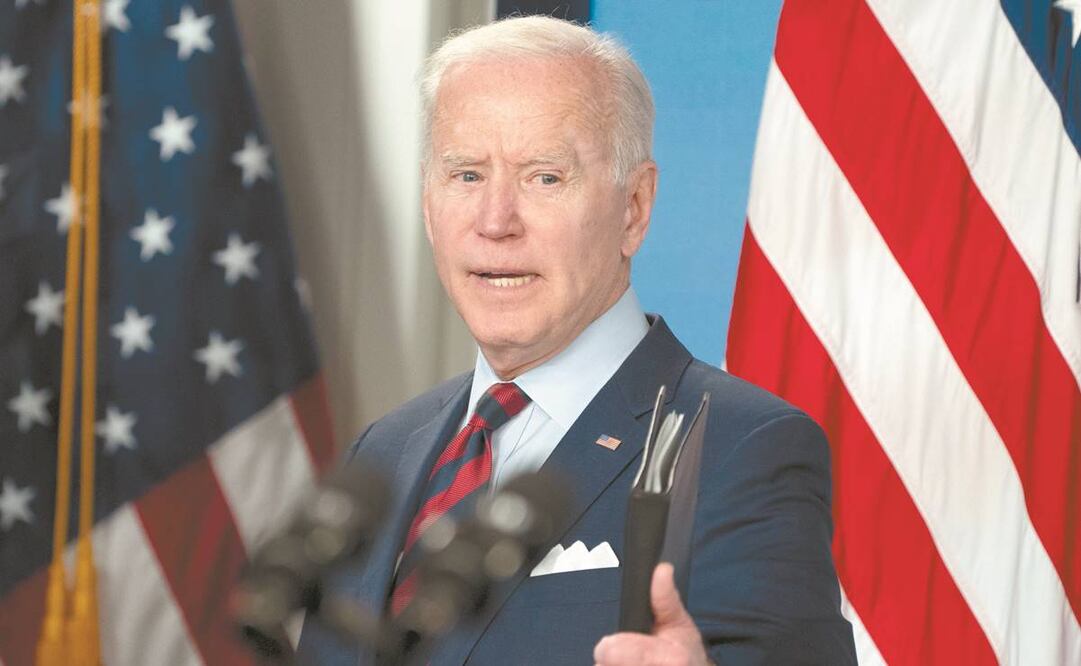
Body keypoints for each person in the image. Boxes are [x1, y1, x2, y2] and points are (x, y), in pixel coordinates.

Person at [297, 15, 856, 666]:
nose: (495, 222)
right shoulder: (385, 452)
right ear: (428, 202)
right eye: (467, 175)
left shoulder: (741, 448)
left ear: (634, 207)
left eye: (544, 177)